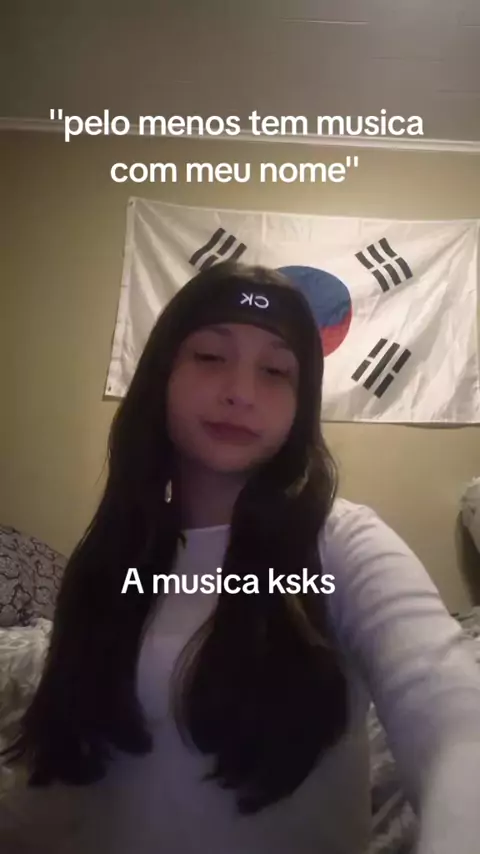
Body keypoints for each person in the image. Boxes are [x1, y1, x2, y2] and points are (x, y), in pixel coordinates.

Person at [1, 261, 480, 854]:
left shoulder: (341, 542)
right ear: (162, 375)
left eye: (275, 371)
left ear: (300, 402)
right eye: (209, 357)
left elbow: (452, 712)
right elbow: (53, 782)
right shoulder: (114, 555)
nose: (240, 392)